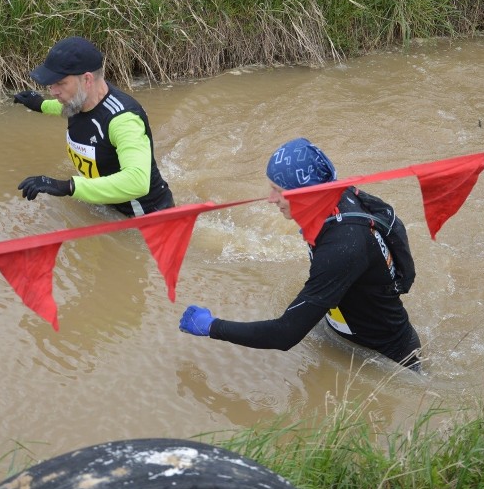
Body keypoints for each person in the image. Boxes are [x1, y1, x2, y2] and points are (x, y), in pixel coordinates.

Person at [178, 138, 423, 371]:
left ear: (304, 194)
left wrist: (211, 327)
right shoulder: (333, 195)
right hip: (343, 336)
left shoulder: (342, 246)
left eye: (277, 190)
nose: (270, 200)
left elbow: (285, 334)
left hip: (385, 361)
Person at [14, 36, 174, 217]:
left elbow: (138, 182)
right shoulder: (79, 100)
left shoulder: (123, 120)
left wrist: (68, 186)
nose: (53, 91)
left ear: (87, 80)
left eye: (60, 83)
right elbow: (69, 107)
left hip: (144, 217)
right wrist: (40, 105)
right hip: (105, 206)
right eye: (51, 84)